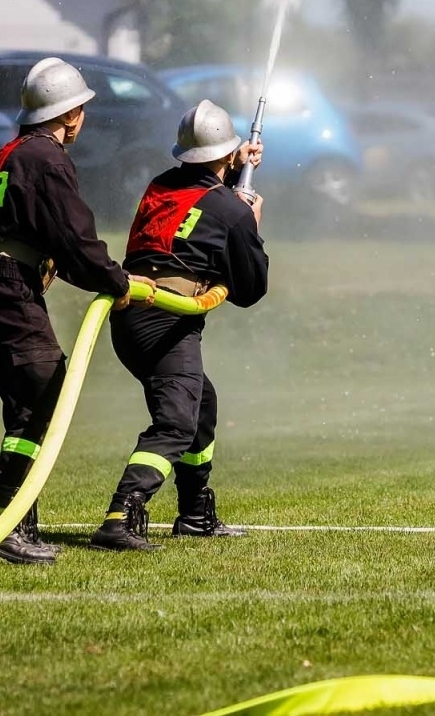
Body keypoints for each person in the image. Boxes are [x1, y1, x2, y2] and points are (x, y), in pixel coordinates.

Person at [0, 57, 153, 565]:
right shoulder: (47, 159)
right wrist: (118, 280)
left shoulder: (16, 152)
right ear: (70, 115)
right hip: (6, 289)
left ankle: (9, 524)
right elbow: (74, 238)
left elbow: (51, 242)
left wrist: (83, 271)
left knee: (30, 404)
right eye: (82, 109)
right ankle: (2, 525)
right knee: (43, 396)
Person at [89, 99, 269, 553]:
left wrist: (233, 174)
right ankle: (121, 515)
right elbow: (250, 290)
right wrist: (251, 224)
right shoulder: (232, 210)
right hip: (167, 318)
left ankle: (193, 514)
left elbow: (198, 201)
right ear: (227, 155)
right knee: (175, 423)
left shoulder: (160, 185)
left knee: (200, 403)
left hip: (131, 315)